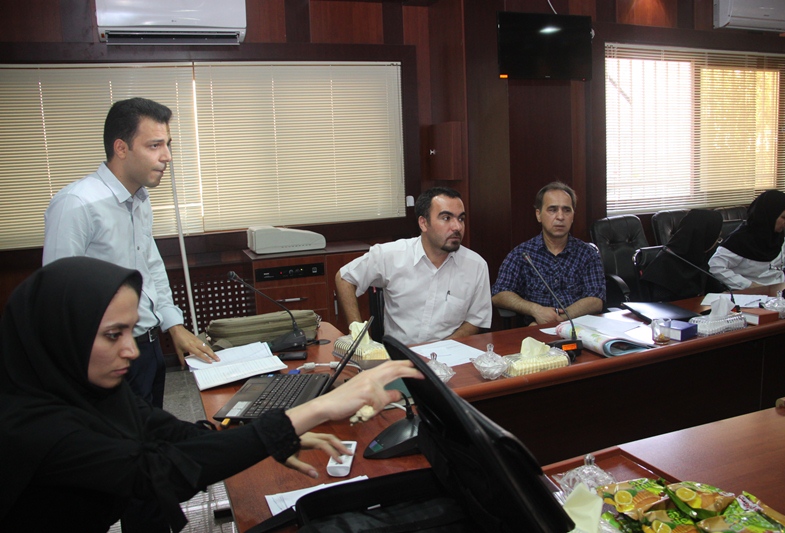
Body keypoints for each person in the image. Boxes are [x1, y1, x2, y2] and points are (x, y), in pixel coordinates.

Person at [0, 256, 423, 533]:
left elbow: (175, 437)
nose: (131, 350)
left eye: (131, 332)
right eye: (113, 335)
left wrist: (275, 437)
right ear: (61, 335)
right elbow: (157, 471)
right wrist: (315, 409)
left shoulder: (91, 392)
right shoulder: (33, 427)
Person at [43, 97, 219, 409]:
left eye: (167, 144)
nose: (167, 156)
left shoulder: (139, 199)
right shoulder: (77, 204)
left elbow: (149, 266)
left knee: (148, 431)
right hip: (106, 358)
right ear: (121, 148)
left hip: (147, 346)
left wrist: (173, 325)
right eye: (154, 145)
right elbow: (57, 298)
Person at [335, 187, 492, 345]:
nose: (457, 227)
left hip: (450, 352)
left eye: (461, 219)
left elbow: (476, 319)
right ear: (423, 223)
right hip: (399, 354)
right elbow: (344, 277)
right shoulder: (391, 255)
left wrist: (442, 348)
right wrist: (359, 335)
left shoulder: (476, 266)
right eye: (446, 218)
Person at [492, 181, 605, 325]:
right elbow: (499, 294)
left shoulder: (587, 254)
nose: (560, 217)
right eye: (552, 210)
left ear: (573, 216)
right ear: (538, 215)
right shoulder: (522, 254)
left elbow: (596, 300)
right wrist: (536, 310)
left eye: (566, 210)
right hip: (535, 331)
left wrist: (558, 320)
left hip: (579, 328)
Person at [709, 189, 785, 290]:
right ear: (770, 216)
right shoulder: (739, 240)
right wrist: (749, 285)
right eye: (784, 217)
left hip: (781, 289)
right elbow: (715, 266)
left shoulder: (777, 236)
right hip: (753, 292)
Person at [639, 209, 728, 301]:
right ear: (706, 238)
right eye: (717, 238)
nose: (716, 242)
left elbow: (715, 289)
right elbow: (663, 306)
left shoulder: (698, 257)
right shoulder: (664, 266)